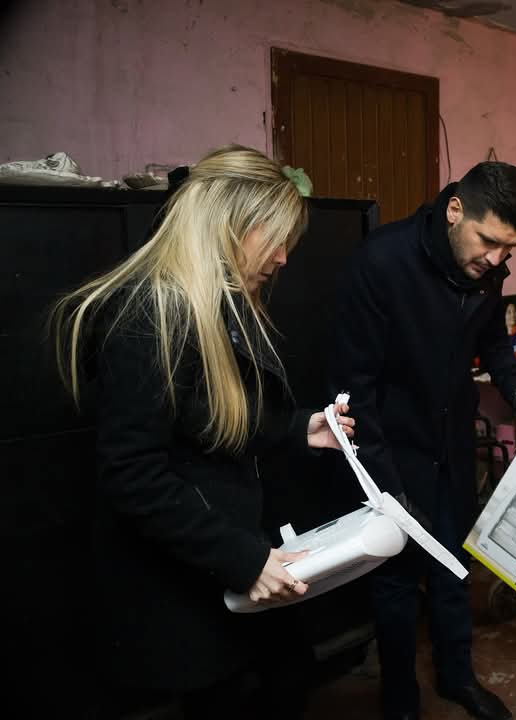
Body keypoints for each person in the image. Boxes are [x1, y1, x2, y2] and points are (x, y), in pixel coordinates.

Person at [51, 145, 355, 718]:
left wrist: (298, 429)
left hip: (226, 555)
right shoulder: (148, 317)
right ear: (225, 224)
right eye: (275, 239)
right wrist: (243, 558)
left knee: (287, 678)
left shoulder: (217, 299)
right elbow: (133, 476)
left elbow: (211, 419)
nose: (284, 257)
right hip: (188, 576)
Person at [328, 161, 516, 720]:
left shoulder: (486, 266)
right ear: (455, 210)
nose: (497, 260)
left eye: (509, 248)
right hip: (389, 448)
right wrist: (386, 486)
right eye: (489, 241)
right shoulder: (380, 262)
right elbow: (353, 388)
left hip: (452, 441)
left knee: (454, 563)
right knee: (394, 579)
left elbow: (494, 343)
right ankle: (399, 694)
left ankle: (458, 676)